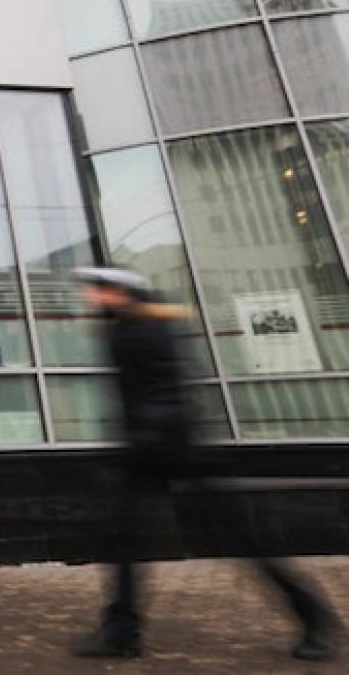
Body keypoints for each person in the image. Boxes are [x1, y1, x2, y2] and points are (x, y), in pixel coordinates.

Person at [69, 266, 338, 662]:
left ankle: (313, 617)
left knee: (237, 537)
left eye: (99, 289)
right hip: (144, 452)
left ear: (121, 292)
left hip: (178, 450)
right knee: (122, 538)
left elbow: (166, 390)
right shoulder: (122, 328)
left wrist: (146, 433)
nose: (91, 296)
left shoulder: (147, 329)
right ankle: (120, 631)